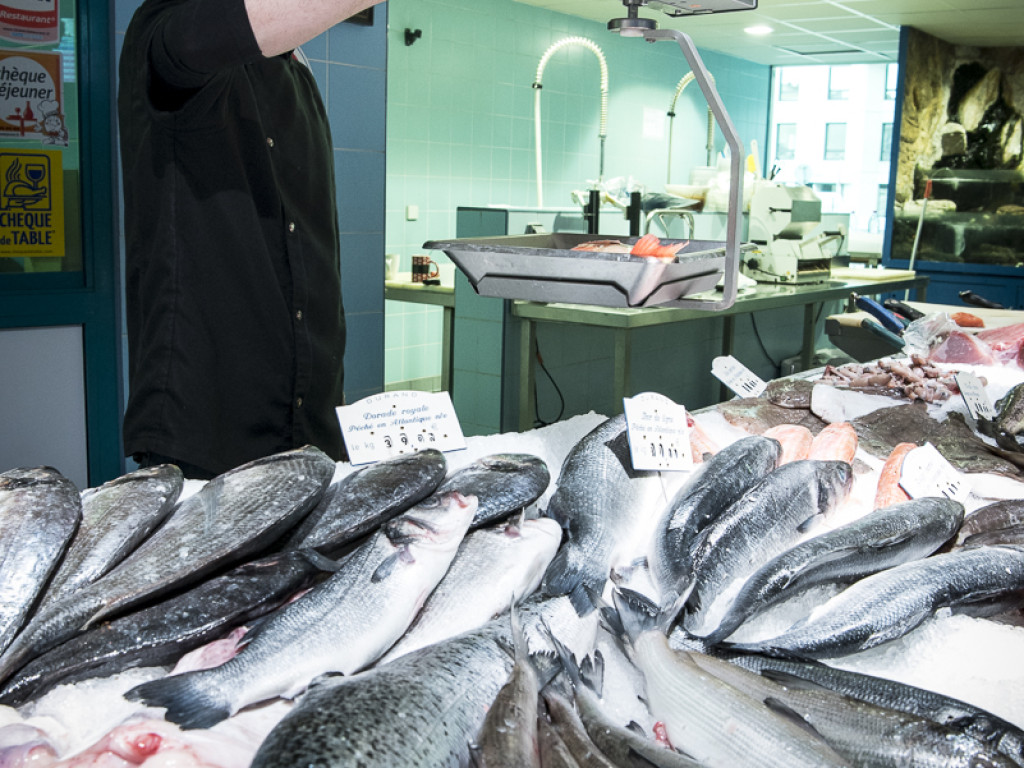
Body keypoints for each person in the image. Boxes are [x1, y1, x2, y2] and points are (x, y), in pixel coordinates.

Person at [118, 0, 385, 479]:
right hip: (206, 425)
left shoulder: (295, 71)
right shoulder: (165, 31)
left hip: (309, 424)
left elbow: (307, 250)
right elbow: (214, 34)